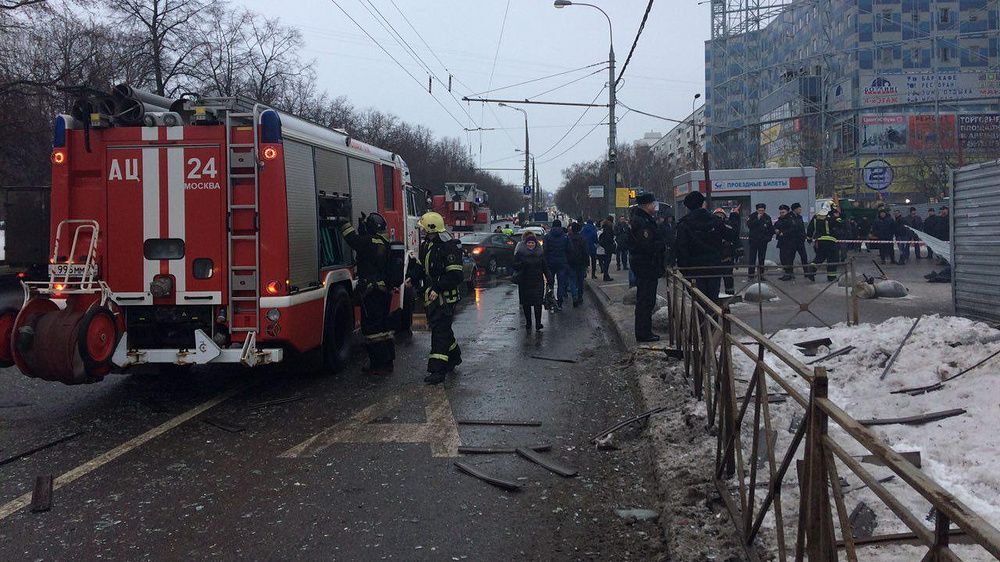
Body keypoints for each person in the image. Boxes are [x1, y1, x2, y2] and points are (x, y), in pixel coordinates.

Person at [340, 213, 399, 375]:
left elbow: (352, 239)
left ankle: (377, 365)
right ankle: (388, 362)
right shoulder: (385, 242)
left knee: (372, 330)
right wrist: (362, 227)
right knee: (383, 327)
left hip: (372, 293)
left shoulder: (367, 242)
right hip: (384, 292)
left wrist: (344, 222)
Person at [411, 212, 464, 385]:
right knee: (443, 331)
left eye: (424, 228)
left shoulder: (449, 247)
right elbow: (424, 269)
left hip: (445, 298)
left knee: (440, 333)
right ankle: (454, 357)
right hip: (433, 296)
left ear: (432, 228)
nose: (423, 231)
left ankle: (437, 370)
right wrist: (412, 278)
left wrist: (438, 287)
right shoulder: (428, 245)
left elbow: (456, 275)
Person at [676, 192, 735, 303]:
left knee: (699, 301)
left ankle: (702, 319)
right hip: (714, 267)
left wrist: (684, 269)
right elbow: (730, 235)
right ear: (703, 203)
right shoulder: (715, 220)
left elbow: (681, 248)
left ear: (688, 206)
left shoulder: (684, 224)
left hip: (694, 269)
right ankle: (713, 319)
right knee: (713, 300)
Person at [629, 193, 666, 342]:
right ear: (646, 205)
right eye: (653, 203)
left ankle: (645, 331)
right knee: (646, 300)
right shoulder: (642, 221)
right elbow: (646, 245)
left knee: (646, 300)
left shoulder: (641, 219)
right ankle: (644, 333)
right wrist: (660, 245)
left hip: (646, 265)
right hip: (646, 265)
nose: (654, 206)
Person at [513, 232, 551, 331]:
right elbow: (514, 266)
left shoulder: (540, 254)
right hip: (525, 282)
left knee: (538, 303)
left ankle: (538, 323)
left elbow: (545, 267)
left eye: (532, 243)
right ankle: (528, 322)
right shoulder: (520, 254)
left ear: (535, 244)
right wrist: (521, 264)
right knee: (526, 304)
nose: (530, 244)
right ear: (526, 243)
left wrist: (549, 278)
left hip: (537, 281)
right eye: (529, 243)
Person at [806, 203, 844, 282]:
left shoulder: (816, 216)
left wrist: (809, 238)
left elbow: (810, 228)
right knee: (833, 259)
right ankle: (831, 277)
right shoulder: (832, 217)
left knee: (819, 257)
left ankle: (812, 270)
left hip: (819, 242)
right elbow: (840, 225)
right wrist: (840, 217)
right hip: (831, 242)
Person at [543, 219, 572, 311]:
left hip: (550, 263)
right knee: (561, 283)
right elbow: (570, 249)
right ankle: (560, 302)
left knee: (550, 283)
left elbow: (545, 250)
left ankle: (550, 300)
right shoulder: (565, 237)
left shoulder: (547, 237)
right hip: (562, 263)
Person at [774, 204, 804, 281]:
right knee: (783, 258)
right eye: (780, 212)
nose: (781, 214)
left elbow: (793, 229)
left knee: (787, 259)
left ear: (787, 212)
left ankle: (788, 274)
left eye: (783, 212)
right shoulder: (780, 219)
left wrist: (783, 233)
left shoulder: (790, 219)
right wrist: (776, 229)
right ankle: (789, 273)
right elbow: (776, 225)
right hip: (782, 242)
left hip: (789, 242)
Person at [713, 208, 739, 294]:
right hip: (715, 257)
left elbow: (735, 236)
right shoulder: (711, 225)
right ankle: (714, 295)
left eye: (721, 215)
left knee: (728, 277)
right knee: (715, 280)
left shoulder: (728, 225)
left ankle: (730, 295)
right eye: (717, 215)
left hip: (727, 256)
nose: (719, 217)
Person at [746, 203, 774, 277]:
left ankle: (761, 275)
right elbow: (749, 225)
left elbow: (771, 229)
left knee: (761, 259)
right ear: (757, 210)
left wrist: (768, 239)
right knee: (752, 258)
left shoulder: (767, 217)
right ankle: (751, 275)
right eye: (759, 210)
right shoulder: (752, 216)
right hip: (753, 241)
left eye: (762, 210)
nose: (761, 212)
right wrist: (757, 219)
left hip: (763, 241)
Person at [567, 222, 589, 306]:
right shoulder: (582, 239)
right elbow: (585, 252)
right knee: (580, 281)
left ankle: (574, 296)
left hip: (571, 263)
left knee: (572, 280)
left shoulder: (568, 238)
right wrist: (587, 264)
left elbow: (566, 251)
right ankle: (580, 296)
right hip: (581, 263)